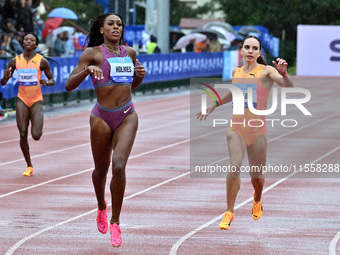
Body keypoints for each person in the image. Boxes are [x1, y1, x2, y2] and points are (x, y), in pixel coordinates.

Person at [196, 35, 294, 230]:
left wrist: (284, 74)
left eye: (254, 48)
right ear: (241, 50)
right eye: (246, 47)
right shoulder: (236, 71)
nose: (250, 51)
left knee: (257, 177)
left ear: (259, 52)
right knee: (234, 166)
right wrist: (213, 105)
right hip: (237, 129)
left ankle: (257, 198)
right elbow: (233, 93)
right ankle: (229, 212)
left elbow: (288, 87)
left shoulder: (267, 71)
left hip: (258, 132)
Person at [65, 13, 145, 248]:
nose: (116, 27)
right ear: (101, 29)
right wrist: (87, 69)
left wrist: (139, 77)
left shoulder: (130, 53)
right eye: (111, 24)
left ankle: (116, 222)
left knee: (119, 166)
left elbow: (131, 85)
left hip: (127, 115)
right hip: (101, 117)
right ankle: (101, 206)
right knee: (101, 170)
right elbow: (69, 85)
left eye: (119, 24)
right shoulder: (93, 54)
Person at [1, 33, 55, 176]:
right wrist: (5, 76)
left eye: (32, 40)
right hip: (22, 100)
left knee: (36, 135)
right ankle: (29, 165)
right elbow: (3, 83)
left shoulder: (41, 61)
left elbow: (52, 80)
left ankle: (35, 120)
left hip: (36, 100)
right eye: (26, 39)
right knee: (23, 134)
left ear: (36, 45)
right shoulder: (15, 61)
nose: (29, 41)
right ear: (23, 43)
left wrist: (46, 82)